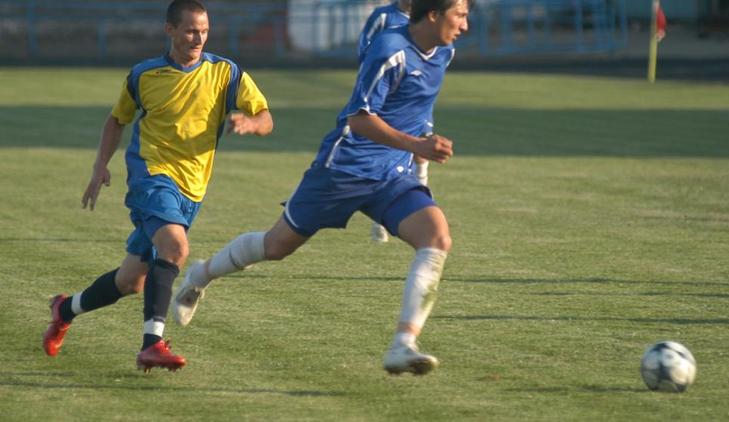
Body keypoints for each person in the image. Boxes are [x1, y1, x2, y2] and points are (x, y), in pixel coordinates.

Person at [172, 0, 470, 375]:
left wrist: (420, 162)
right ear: (433, 14)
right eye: (460, 15)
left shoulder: (444, 51)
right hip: (344, 168)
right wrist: (416, 146)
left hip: (393, 173)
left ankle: (402, 344)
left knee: (437, 238)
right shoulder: (389, 49)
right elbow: (359, 119)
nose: (465, 25)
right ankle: (201, 275)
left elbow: (418, 109)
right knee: (276, 246)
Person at [42, 0, 273, 372]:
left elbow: (265, 117)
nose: (199, 38)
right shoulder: (144, 75)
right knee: (175, 246)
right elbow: (116, 120)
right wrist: (100, 164)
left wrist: (251, 123)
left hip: (191, 190)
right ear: (170, 31)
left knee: (131, 280)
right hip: (151, 176)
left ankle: (64, 309)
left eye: (205, 31)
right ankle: (152, 344)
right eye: (190, 30)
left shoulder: (226, 73)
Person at [358, 0, 431, 243]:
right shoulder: (383, 16)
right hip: (386, 97)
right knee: (384, 150)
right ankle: (380, 220)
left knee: (421, 148)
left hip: (415, 95)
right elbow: (364, 48)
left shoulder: (423, 19)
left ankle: (423, 199)